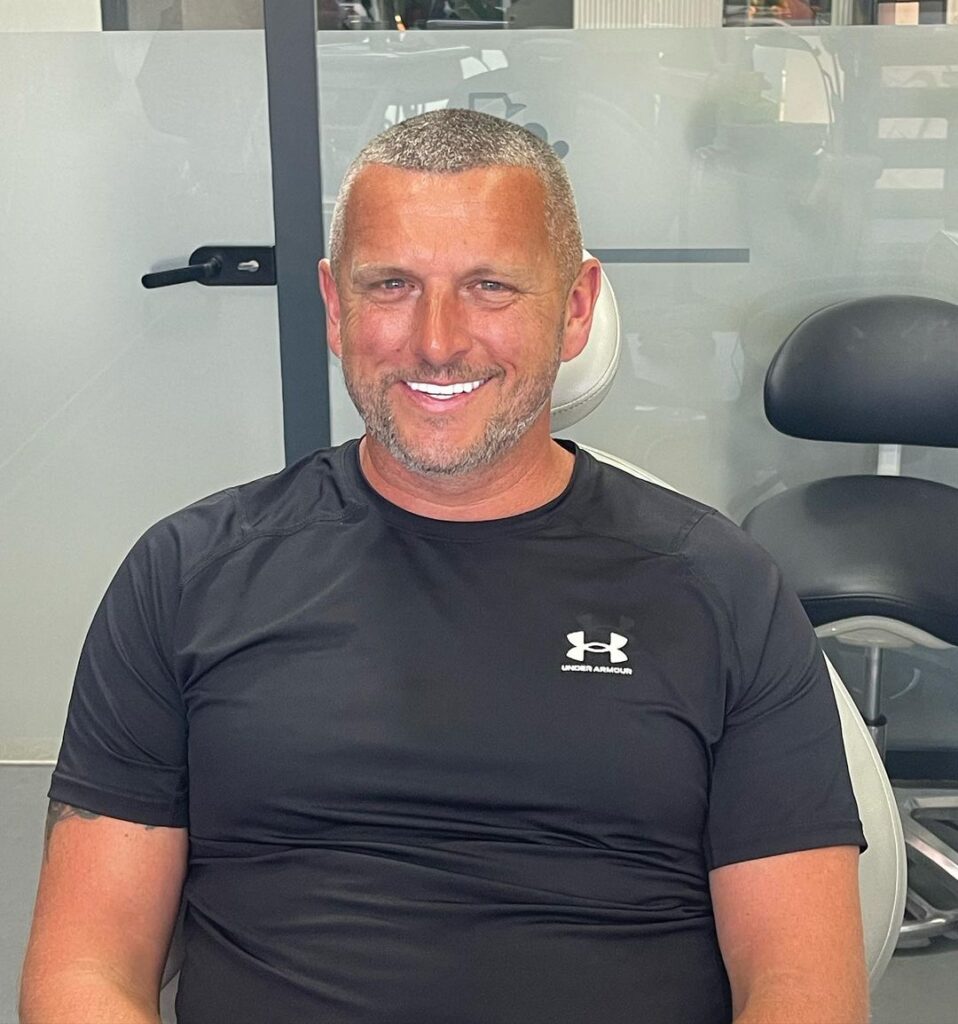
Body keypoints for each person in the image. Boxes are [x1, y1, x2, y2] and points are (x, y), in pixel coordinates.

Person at [20, 109, 868, 1024]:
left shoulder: (718, 590)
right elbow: (87, 968)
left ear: (575, 308)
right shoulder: (188, 577)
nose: (436, 340)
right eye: (390, 285)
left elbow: (803, 988)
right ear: (335, 307)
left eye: (490, 287)